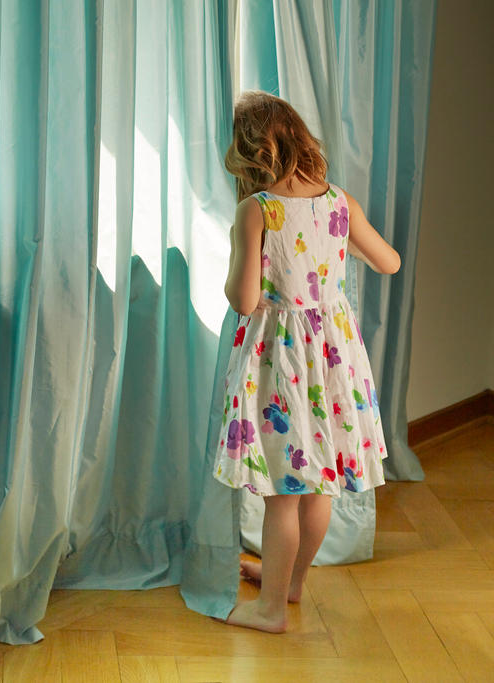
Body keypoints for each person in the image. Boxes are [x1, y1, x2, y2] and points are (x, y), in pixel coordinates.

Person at [214, 91, 400, 633]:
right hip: (335, 356)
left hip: (283, 362)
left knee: (281, 493)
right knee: (319, 482)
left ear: (249, 153)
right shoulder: (340, 202)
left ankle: (271, 609)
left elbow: (245, 300)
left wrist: (236, 255)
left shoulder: (257, 210)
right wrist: (339, 252)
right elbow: (387, 261)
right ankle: (290, 584)